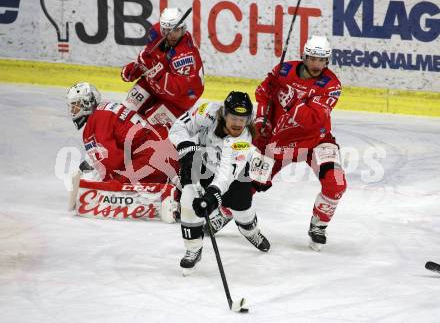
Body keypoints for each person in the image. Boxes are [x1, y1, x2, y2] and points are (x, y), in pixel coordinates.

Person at [252, 35, 347, 251]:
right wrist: (261, 119)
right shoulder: (283, 71)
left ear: (327, 61)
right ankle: (225, 213)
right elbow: (263, 93)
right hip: (279, 141)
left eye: (321, 60)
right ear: (304, 56)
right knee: (249, 182)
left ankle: (319, 225)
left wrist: (291, 101)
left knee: (336, 183)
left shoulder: (332, 85)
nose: (316, 64)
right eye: (312, 58)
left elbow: (313, 119)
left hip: (316, 141)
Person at [169, 91, 270, 275]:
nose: (238, 123)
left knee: (243, 211)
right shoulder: (207, 112)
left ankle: (250, 231)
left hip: (233, 177)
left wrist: (212, 196)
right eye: (233, 117)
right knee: (188, 200)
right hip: (203, 165)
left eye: (243, 119)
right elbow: (178, 128)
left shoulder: (242, 140)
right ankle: (193, 248)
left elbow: (225, 175)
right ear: (224, 114)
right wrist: (185, 145)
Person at [66, 82, 178, 185]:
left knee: (116, 185)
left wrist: (107, 184)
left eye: (75, 106)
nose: (72, 112)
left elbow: (110, 161)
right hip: (169, 148)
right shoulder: (107, 109)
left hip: (153, 158)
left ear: (87, 102)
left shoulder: (95, 121)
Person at [120, 7, 204, 129]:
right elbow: (149, 56)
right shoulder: (155, 32)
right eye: (167, 31)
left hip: (179, 100)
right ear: (162, 28)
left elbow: (175, 90)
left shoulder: (185, 55)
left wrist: (155, 70)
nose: (171, 35)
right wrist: (136, 67)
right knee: (124, 112)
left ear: (183, 29)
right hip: (153, 84)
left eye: (177, 30)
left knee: (146, 130)